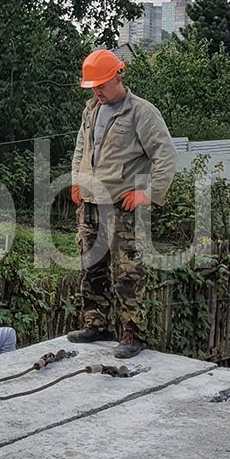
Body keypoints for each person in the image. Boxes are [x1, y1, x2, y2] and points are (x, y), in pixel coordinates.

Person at [67, 48, 178, 360]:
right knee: (92, 267)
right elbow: (81, 149)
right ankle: (96, 325)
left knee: (128, 273)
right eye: (93, 87)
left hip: (122, 207)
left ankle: (133, 333)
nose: (97, 92)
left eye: (101, 85)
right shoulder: (91, 111)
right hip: (90, 205)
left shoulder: (141, 113)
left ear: (117, 76)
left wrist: (148, 193)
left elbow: (166, 156)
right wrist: (77, 180)